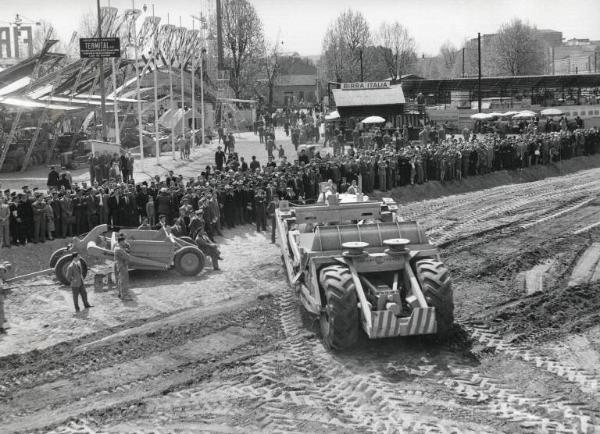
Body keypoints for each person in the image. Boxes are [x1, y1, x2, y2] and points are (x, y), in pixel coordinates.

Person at [114, 233, 131, 300]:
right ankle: (124, 296)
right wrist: (127, 253)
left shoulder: (118, 247)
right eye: (124, 241)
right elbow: (127, 256)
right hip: (122, 266)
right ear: (121, 242)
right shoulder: (119, 249)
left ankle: (120, 293)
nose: (125, 242)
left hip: (119, 265)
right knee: (124, 281)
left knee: (120, 280)